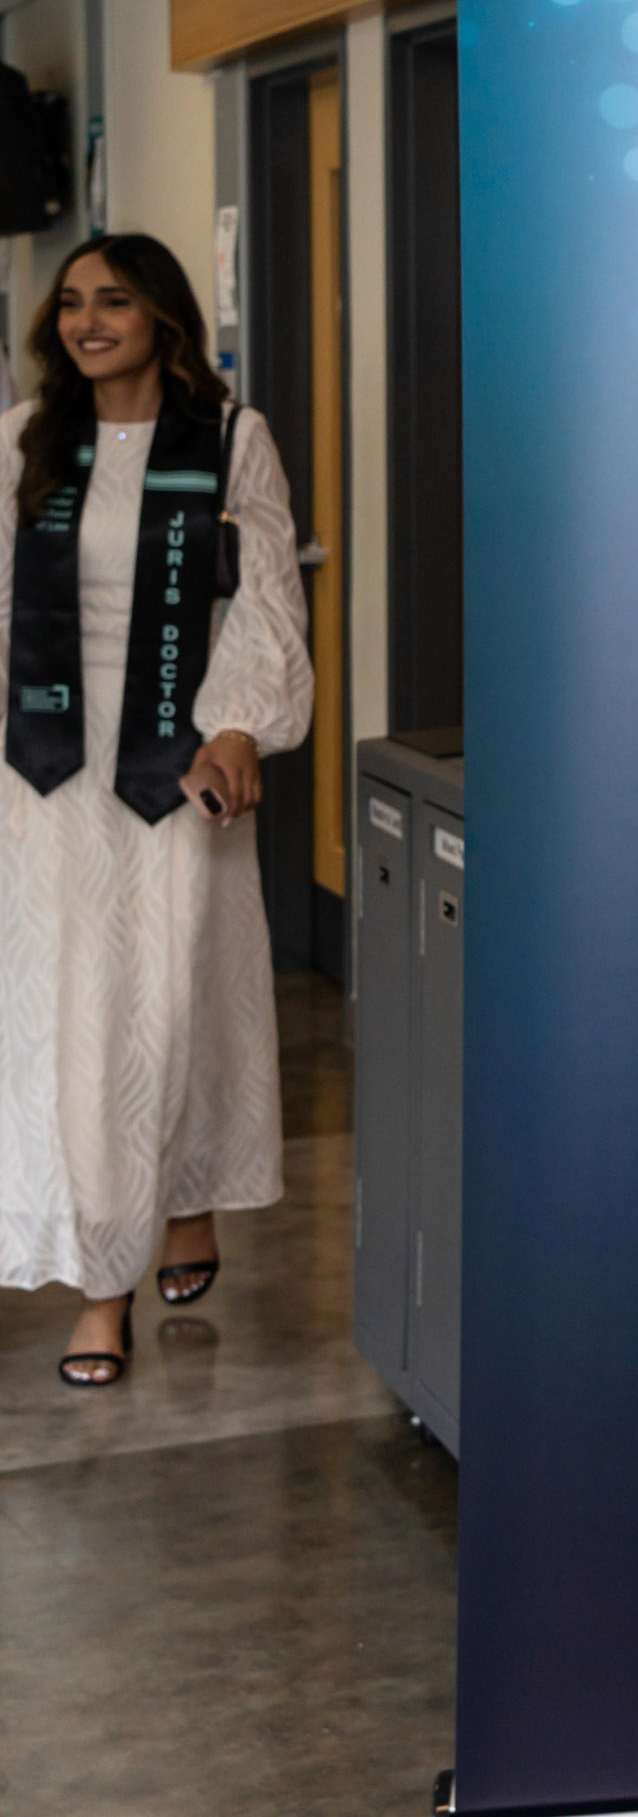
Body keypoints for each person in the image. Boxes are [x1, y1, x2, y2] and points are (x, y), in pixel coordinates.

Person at [1, 234, 308, 1386]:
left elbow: (266, 598)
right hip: (47, 773)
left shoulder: (230, 440)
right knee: (76, 1019)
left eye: (114, 301)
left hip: (177, 767)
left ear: (162, 317)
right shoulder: (25, 440)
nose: (87, 322)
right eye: (72, 303)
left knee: (176, 1004)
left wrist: (237, 726)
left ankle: (186, 1196)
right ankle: (103, 1284)